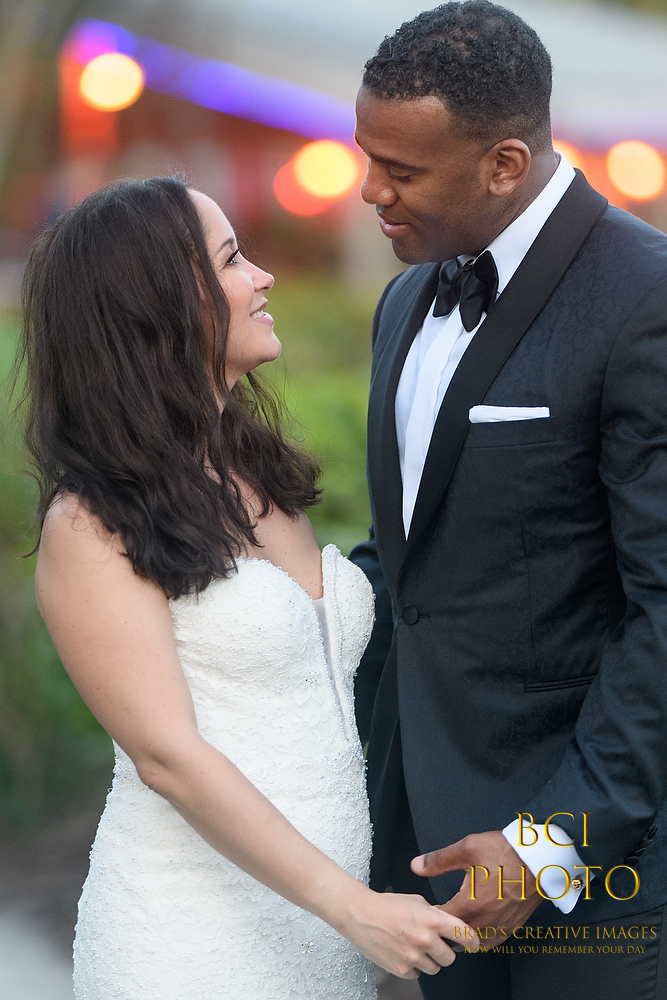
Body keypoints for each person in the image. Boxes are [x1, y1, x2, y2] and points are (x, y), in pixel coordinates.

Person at [18, 176, 474, 1000]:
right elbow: (168, 756)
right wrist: (353, 907)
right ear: (157, 301)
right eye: (231, 260)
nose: (262, 277)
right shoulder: (91, 521)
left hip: (327, 933)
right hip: (192, 942)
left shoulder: (256, 470)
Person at [351, 3, 667, 998]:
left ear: (503, 165)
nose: (369, 189)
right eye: (367, 157)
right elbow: (413, 564)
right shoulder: (405, 299)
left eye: (400, 170)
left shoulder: (646, 299)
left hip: (604, 870)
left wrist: (547, 844)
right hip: (436, 854)